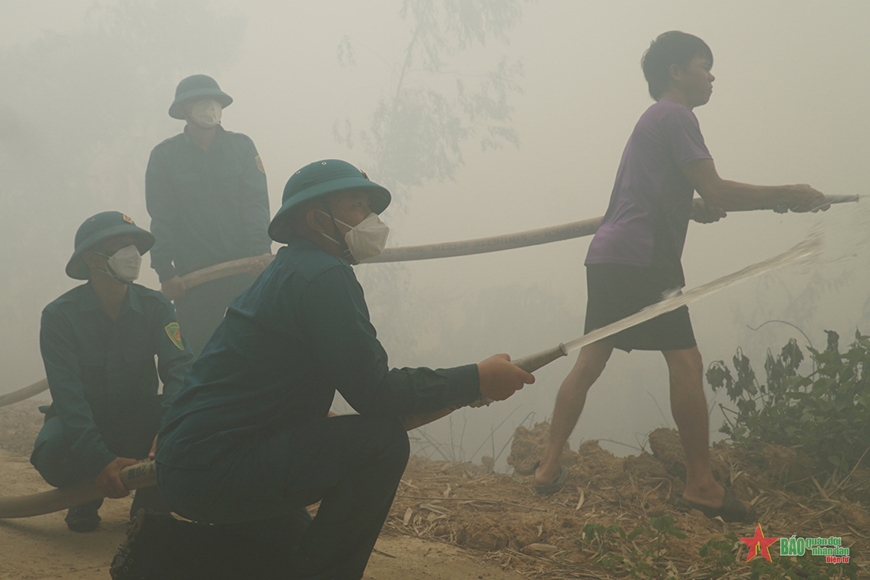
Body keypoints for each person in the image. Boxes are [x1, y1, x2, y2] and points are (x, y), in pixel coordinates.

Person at [154, 160, 534, 579]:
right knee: (381, 443)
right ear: (317, 219)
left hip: (189, 466)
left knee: (295, 546)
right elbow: (377, 394)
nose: (371, 220)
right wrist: (475, 379)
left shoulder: (291, 270)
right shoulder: (323, 276)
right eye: (357, 206)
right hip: (215, 469)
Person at [533, 31, 827, 521]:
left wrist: (691, 208)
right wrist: (789, 192)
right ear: (676, 72)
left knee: (590, 360)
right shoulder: (677, 116)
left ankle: (546, 467)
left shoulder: (652, 121)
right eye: (703, 65)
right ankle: (702, 484)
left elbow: (660, 194)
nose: (712, 76)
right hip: (646, 258)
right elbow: (717, 189)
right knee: (686, 363)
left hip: (609, 253)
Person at [31, 212, 194, 532]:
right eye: (118, 245)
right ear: (92, 258)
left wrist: (171, 427)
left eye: (132, 245)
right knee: (52, 451)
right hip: (87, 426)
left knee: (191, 428)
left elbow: (181, 368)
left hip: (138, 421)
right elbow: (68, 397)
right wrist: (99, 461)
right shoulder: (58, 317)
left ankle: (152, 494)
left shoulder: (157, 307)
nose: (131, 254)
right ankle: (83, 495)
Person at [146, 74, 272, 356]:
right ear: (184, 110)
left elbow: (256, 204)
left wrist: (261, 251)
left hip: (246, 271)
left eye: (214, 101)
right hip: (194, 282)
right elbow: (161, 217)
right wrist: (166, 272)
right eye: (201, 101)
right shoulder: (164, 157)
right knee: (198, 357)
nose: (210, 107)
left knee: (257, 351)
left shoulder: (242, 148)